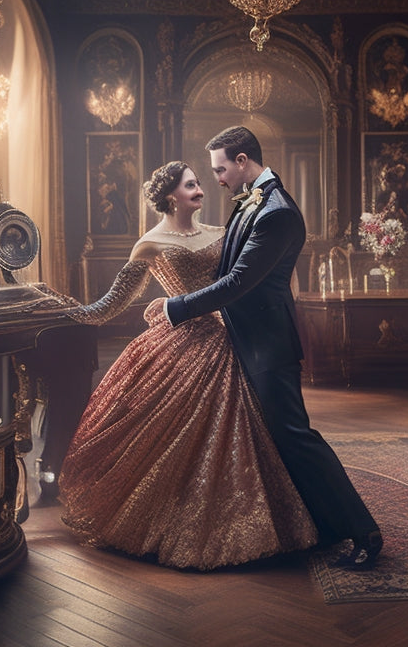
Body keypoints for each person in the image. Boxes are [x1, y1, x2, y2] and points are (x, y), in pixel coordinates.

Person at [59, 161, 317, 570]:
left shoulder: (222, 232)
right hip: (181, 340)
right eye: (191, 184)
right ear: (169, 196)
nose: (201, 188)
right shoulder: (149, 244)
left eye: (200, 181)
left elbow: (264, 275)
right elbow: (112, 303)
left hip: (232, 335)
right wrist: (63, 311)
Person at [165, 126, 384, 570]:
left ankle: (365, 532)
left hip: (268, 345)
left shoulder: (277, 211)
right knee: (274, 439)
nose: (218, 179)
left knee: (296, 438)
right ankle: (317, 527)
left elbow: (240, 281)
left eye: (221, 169)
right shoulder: (254, 200)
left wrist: (178, 308)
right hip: (244, 339)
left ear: (243, 160)